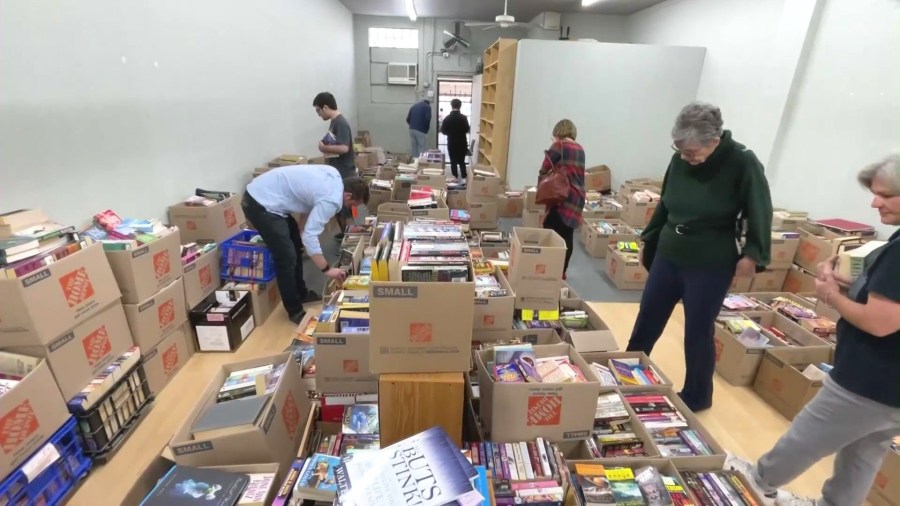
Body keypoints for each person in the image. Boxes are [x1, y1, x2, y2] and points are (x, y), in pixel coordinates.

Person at [729, 154, 900, 506]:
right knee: (864, 454)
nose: (874, 202)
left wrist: (830, 294)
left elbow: (880, 322)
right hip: (891, 390)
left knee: (809, 434)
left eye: (885, 195)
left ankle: (759, 481)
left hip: (870, 378)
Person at [626, 101, 773, 412]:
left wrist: (753, 254)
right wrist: (649, 239)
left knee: (697, 329)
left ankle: (697, 395)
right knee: (648, 316)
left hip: (710, 260)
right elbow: (665, 203)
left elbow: (760, 210)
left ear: (714, 142)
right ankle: (625, 371)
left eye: (691, 152)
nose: (684, 157)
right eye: (679, 149)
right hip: (670, 251)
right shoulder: (679, 160)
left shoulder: (742, 162)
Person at [242, 164, 369, 324]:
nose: (350, 209)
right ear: (348, 196)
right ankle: (294, 310)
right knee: (286, 258)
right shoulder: (331, 200)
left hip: (267, 193)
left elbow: (307, 201)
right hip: (260, 202)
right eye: (352, 205)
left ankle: (301, 293)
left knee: (295, 246)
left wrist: (302, 232)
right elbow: (310, 236)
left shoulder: (334, 175)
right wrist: (327, 269)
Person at [539, 119, 585, 278]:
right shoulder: (580, 148)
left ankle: (549, 271)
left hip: (562, 196)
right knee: (567, 236)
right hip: (577, 198)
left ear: (557, 133)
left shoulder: (559, 145)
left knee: (552, 234)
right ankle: (561, 272)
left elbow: (544, 169)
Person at [313, 91, 356, 239]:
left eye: (318, 110)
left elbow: (344, 148)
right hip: (338, 171)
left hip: (344, 172)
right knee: (340, 207)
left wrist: (323, 148)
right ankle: (346, 234)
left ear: (325, 107)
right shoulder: (334, 122)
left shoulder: (340, 123)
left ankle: (350, 238)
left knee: (345, 207)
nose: (318, 114)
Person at [440, 98, 470, 181]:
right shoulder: (463, 118)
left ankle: (454, 177)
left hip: (451, 142)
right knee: (462, 160)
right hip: (462, 142)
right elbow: (467, 129)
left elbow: (443, 131)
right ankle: (464, 176)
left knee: (453, 160)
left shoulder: (447, 118)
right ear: (460, 106)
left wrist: (450, 133)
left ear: (451, 106)